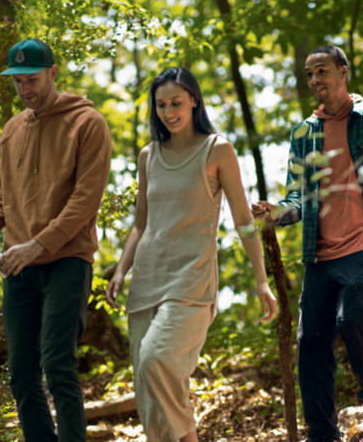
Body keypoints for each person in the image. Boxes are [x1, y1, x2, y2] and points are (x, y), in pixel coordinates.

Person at [252, 45, 363, 442]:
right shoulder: (303, 134)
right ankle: (322, 434)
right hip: (320, 254)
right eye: (309, 74)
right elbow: (299, 200)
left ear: (344, 72)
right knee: (310, 343)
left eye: (323, 71)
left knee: (352, 323)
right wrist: (275, 211)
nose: (315, 80)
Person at [105, 67, 277, 442]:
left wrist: (261, 280)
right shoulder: (149, 155)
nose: (168, 112)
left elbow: (243, 220)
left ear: (194, 100)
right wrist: (121, 271)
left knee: (157, 360)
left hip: (191, 281)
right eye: (161, 105)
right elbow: (141, 224)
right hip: (146, 280)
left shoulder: (217, 149)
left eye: (176, 103)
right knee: (150, 401)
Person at [0, 38, 112, 441]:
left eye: (31, 79)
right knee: (21, 373)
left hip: (67, 260)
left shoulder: (88, 124)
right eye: (17, 82)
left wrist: (38, 244)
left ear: (52, 73)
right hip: (17, 267)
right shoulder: (12, 129)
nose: (24, 90)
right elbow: (1, 197)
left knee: (58, 363)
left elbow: (85, 201)